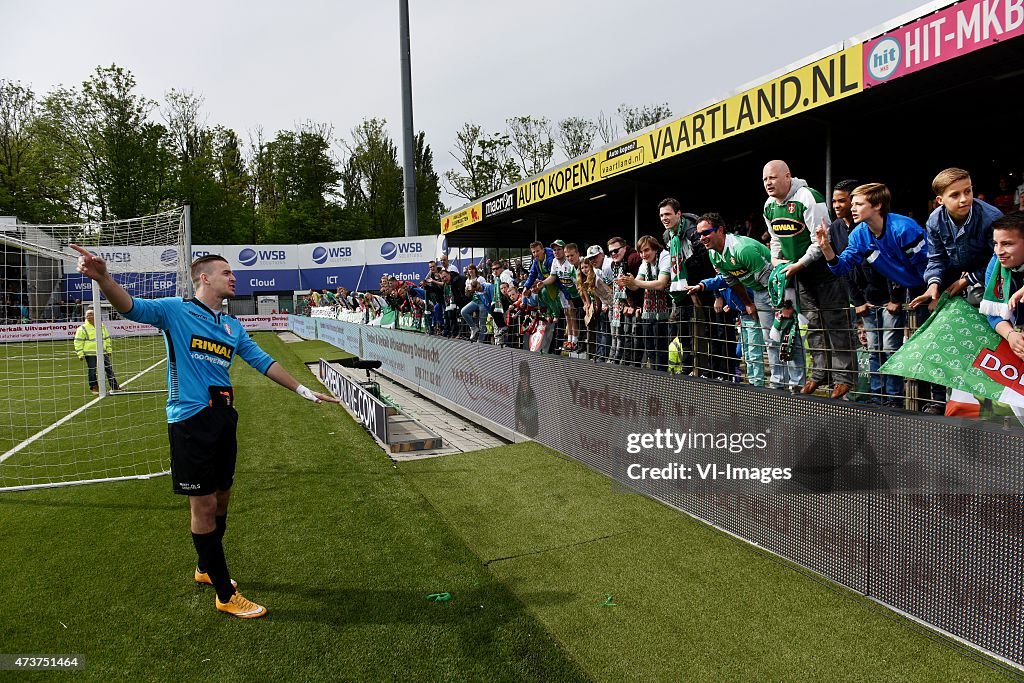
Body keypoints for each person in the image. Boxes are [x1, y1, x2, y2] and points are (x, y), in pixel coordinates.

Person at [69, 245, 339, 619]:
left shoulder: (231, 326)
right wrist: (103, 278)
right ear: (205, 278)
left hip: (224, 419)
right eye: (226, 273)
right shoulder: (175, 311)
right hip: (190, 419)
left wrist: (303, 390)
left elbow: (261, 360)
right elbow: (130, 306)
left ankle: (204, 568)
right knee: (204, 504)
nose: (234, 277)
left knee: (223, 497)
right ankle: (225, 593)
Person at [814, 183, 945, 414]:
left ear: (877, 205)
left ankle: (938, 401)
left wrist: (933, 292)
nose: (852, 208)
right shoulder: (859, 234)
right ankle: (885, 399)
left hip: (930, 286)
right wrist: (826, 249)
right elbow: (841, 267)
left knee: (929, 346)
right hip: (909, 288)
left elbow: (929, 265)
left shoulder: (904, 229)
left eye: (858, 204)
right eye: (852, 203)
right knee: (881, 347)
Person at [762, 160, 857, 399]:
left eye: (773, 177)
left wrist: (798, 264)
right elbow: (775, 239)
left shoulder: (808, 197)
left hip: (823, 270)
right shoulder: (769, 206)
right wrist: (776, 260)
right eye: (765, 179)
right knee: (813, 324)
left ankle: (844, 377)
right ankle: (819, 374)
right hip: (798, 274)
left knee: (836, 323)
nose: (768, 183)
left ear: (788, 176)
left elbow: (820, 241)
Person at [686, 212, 803, 391]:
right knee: (771, 339)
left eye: (706, 232)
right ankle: (778, 384)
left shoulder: (742, 249)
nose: (702, 238)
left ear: (720, 230)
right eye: (699, 234)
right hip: (759, 292)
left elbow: (770, 279)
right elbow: (732, 281)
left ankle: (797, 384)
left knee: (787, 336)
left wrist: (784, 306)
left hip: (778, 287)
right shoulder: (714, 255)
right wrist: (748, 303)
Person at [910, 168, 1003, 311]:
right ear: (940, 200)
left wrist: (967, 280)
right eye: (955, 195)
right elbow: (936, 258)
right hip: (954, 277)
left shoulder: (992, 217)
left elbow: (999, 259)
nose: (964, 199)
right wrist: (933, 285)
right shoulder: (934, 221)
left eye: (968, 191)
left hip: (991, 278)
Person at [621, 235, 671, 372]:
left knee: (661, 347)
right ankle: (655, 373)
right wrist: (627, 283)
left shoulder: (665, 256)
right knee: (650, 347)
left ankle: (662, 375)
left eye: (646, 250)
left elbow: (661, 283)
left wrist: (634, 282)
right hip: (648, 310)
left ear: (655, 248)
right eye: (641, 252)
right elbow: (636, 286)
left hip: (667, 309)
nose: (643, 254)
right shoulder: (645, 262)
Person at [74, 308, 120, 395]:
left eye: (91, 314)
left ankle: (115, 386)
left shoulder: (101, 326)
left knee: (108, 369)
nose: (89, 317)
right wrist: (80, 354)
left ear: (95, 316)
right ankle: (94, 387)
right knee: (92, 370)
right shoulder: (82, 328)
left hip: (102, 352)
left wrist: (109, 349)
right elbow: (78, 341)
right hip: (90, 353)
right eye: (87, 315)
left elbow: (106, 338)